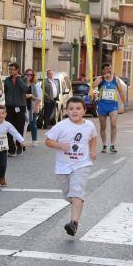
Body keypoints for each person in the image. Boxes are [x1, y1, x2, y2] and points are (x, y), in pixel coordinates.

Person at [45, 97, 97, 236]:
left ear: (84, 110)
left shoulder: (89, 126)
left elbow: (93, 138)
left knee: (77, 192)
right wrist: (60, 145)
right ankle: (75, 202)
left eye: (78, 108)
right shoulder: (61, 126)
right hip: (63, 167)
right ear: (67, 111)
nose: (75, 111)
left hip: (82, 164)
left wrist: (92, 151)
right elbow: (48, 141)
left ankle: (73, 223)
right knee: (69, 195)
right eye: (71, 108)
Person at [93, 63, 126, 153]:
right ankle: (104, 145)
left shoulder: (116, 79)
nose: (109, 70)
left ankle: (112, 145)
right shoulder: (100, 79)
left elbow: (121, 91)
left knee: (113, 124)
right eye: (107, 68)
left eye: (110, 68)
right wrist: (102, 77)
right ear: (103, 70)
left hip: (113, 106)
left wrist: (124, 103)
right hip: (102, 105)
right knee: (103, 126)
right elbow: (93, 85)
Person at [3, 62, 29, 155]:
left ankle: (19, 146)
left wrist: (18, 79)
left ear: (17, 70)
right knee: (8, 128)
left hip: (20, 107)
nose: (10, 71)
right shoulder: (7, 80)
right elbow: (5, 91)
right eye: (9, 69)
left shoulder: (23, 79)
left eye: (12, 69)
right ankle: (11, 148)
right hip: (9, 107)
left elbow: (25, 88)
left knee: (19, 128)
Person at [25, 69, 42, 147]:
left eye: (30, 75)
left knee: (33, 124)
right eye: (27, 74)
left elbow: (38, 98)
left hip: (32, 107)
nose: (28, 76)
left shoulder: (35, 86)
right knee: (23, 124)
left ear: (33, 76)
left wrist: (36, 107)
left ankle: (34, 140)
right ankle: (22, 140)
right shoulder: (22, 84)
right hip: (23, 106)